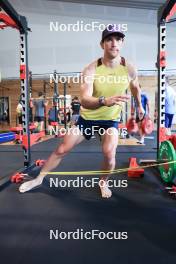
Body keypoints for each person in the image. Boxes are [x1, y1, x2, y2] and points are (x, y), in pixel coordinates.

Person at [19, 24, 145, 198]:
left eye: (118, 39)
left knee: (109, 153)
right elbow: (85, 100)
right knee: (62, 149)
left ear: (122, 43)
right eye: (109, 39)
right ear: (102, 44)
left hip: (110, 121)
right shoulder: (91, 69)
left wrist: (139, 106)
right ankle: (39, 178)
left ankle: (103, 182)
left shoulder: (129, 68)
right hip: (87, 119)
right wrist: (104, 101)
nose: (114, 43)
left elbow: (135, 87)